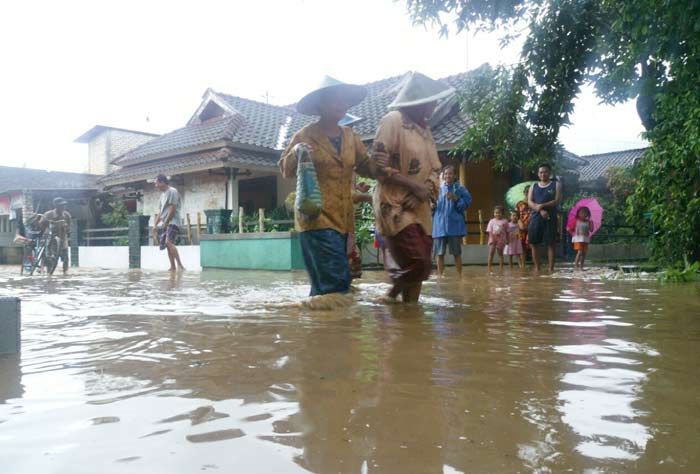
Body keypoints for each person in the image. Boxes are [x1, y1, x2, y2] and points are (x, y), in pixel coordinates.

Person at [279, 76, 375, 305]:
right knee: (335, 281)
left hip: (344, 219)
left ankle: (323, 333)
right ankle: (332, 334)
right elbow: (285, 169)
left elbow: (367, 167)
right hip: (316, 218)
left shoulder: (351, 137)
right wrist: (297, 152)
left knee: (330, 284)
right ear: (320, 105)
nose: (340, 105)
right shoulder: (305, 134)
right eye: (334, 100)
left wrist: (385, 161)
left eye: (343, 101)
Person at [372, 72, 453, 303]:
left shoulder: (425, 130)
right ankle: (390, 295)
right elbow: (377, 164)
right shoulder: (393, 121)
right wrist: (413, 187)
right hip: (394, 201)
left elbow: (436, 168)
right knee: (419, 262)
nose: (436, 105)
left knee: (421, 262)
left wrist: (424, 190)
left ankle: (409, 316)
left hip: (420, 204)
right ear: (420, 102)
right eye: (433, 101)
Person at [431, 165, 472, 277]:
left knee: (456, 253)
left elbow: (467, 203)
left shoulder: (460, 189)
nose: (448, 175)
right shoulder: (437, 190)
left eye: (450, 173)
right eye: (446, 174)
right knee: (439, 254)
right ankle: (441, 276)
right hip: (439, 226)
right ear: (443, 176)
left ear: (454, 175)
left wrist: (456, 198)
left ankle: (460, 277)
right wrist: (431, 206)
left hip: (454, 226)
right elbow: (430, 207)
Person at [527, 163, 562, 272]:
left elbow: (557, 200)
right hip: (535, 217)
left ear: (549, 173)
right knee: (533, 243)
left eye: (545, 172)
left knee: (551, 244)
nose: (543, 174)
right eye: (541, 172)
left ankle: (551, 269)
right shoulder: (533, 186)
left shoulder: (556, 185)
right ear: (538, 174)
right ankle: (537, 268)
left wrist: (543, 205)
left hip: (550, 217)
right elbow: (529, 201)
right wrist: (540, 210)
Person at [154, 174, 185, 271]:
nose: (156, 185)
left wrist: (166, 222)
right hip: (166, 222)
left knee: (168, 242)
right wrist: (155, 225)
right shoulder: (162, 195)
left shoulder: (172, 191)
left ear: (162, 182)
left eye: (156, 183)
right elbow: (160, 212)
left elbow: (173, 208)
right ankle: (173, 266)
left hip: (173, 221)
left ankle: (180, 265)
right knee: (167, 245)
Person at [40, 197, 71, 274]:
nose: (63, 207)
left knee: (65, 254)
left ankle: (65, 271)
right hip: (50, 235)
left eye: (64, 205)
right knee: (49, 253)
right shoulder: (48, 214)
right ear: (56, 206)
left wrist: (66, 226)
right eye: (61, 205)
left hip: (62, 236)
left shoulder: (66, 215)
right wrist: (47, 224)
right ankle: (47, 269)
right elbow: (41, 224)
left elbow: (69, 226)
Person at [486, 205, 509, 271]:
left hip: (501, 240)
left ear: (502, 213)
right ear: (494, 213)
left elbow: (507, 232)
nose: (497, 214)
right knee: (491, 253)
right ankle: (489, 267)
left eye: (499, 212)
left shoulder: (505, 221)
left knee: (500, 254)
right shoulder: (491, 221)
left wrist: (507, 240)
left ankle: (501, 268)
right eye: (496, 213)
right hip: (492, 240)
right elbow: (489, 231)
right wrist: (492, 239)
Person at [515, 185, 530, 257]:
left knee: (532, 245)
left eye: (530, 192)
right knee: (521, 245)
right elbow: (515, 215)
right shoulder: (520, 203)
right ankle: (522, 264)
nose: (528, 193)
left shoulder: (535, 204)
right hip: (521, 227)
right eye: (527, 192)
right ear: (524, 193)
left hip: (532, 227)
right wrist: (520, 223)